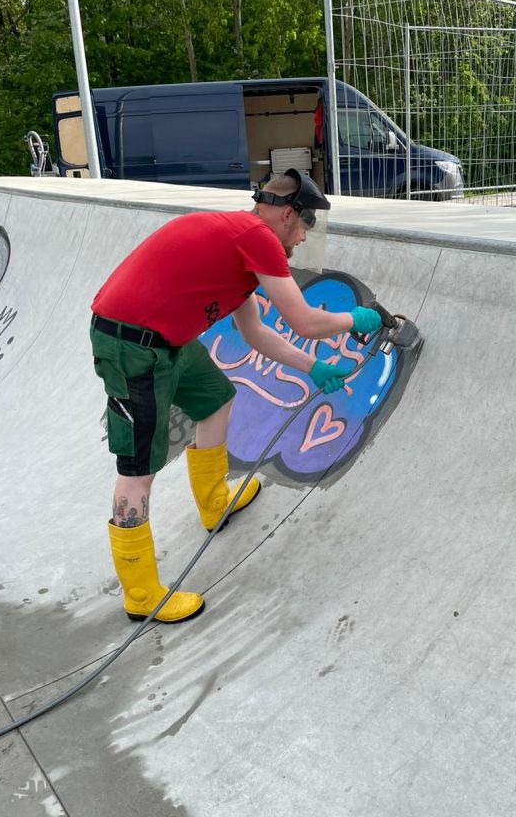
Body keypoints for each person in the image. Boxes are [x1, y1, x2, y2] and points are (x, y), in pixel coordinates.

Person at [90, 169, 382, 624]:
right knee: (137, 471)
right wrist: (354, 319)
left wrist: (313, 368)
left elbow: (256, 332)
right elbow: (303, 321)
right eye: (306, 226)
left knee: (216, 399)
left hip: (167, 341)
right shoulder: (257, 236)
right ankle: (142, 593)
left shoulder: (240, 247)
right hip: (131, 347)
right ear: (288, 215)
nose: (305, 238)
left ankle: (213, 503)